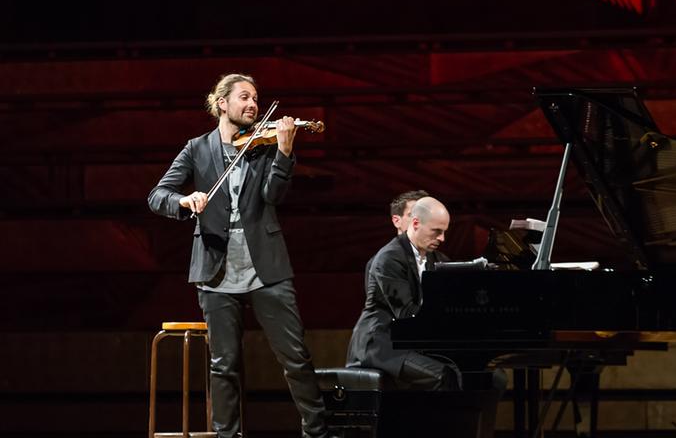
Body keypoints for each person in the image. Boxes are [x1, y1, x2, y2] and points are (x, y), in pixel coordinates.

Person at [148, 73, 332, 438]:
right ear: (222, 104)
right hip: (216, 269)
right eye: (244, 97)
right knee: (223, 365)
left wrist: (283, 151)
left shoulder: (263, 147)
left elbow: (273, 196)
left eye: (256, 99)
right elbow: (158, 195)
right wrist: (184, 200)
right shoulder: (197, 149)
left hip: (266, 266)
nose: (253, 105)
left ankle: (318, 432)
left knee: (295, 358)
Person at [346, 196, 460, 390]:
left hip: (410, 342)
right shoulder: (389, 258)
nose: (442, 238)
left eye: (444, 232)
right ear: (415, 223)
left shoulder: (439, 259)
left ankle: (471, 422)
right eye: (436, 231)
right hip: (381, 345)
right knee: (443, 376)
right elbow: (407, 314)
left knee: (488, 377)